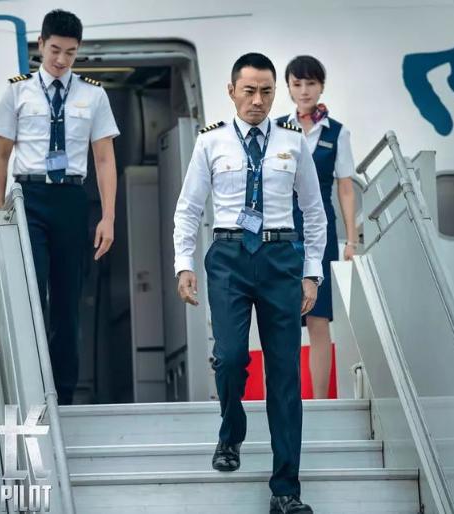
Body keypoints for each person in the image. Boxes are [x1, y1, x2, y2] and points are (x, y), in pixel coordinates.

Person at [173, 52, 327, 514]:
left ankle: (286, 490)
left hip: (281, 259)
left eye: (266, 92)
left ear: (274, 93)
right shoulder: (211, 142)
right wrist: (184, 263)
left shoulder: (293, 142)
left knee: (285, 374)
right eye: (249, 91)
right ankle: (231, 432)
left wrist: (311, 272)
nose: (257, 101)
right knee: (231, 357)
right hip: (229, 258)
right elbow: (189, 208)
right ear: (231, 91)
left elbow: (314, 211)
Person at [0, 9, 119, 406]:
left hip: (71, 201)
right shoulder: (17, 92)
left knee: (66, 303)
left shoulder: (93, 95)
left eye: (70, 53)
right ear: (41, 44)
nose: (62, 60)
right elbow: (0, 157)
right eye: (55, 50)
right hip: (29, 200)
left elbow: (104, 160)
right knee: (32, 295)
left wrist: (108, 217)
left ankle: (62, 396)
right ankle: (31, 391)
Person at [277, 55, 358, 399]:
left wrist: (351, 238)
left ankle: (321, 400)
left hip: (320, 230)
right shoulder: (275, 129)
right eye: (297, 84)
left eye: (310, 83)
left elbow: (345, 188)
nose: (304, 91)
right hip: (281, 227)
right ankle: (285, 398)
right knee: (281, 316)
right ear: (288, 88)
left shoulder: (337, 132)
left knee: (318, 318)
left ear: (321, 86)